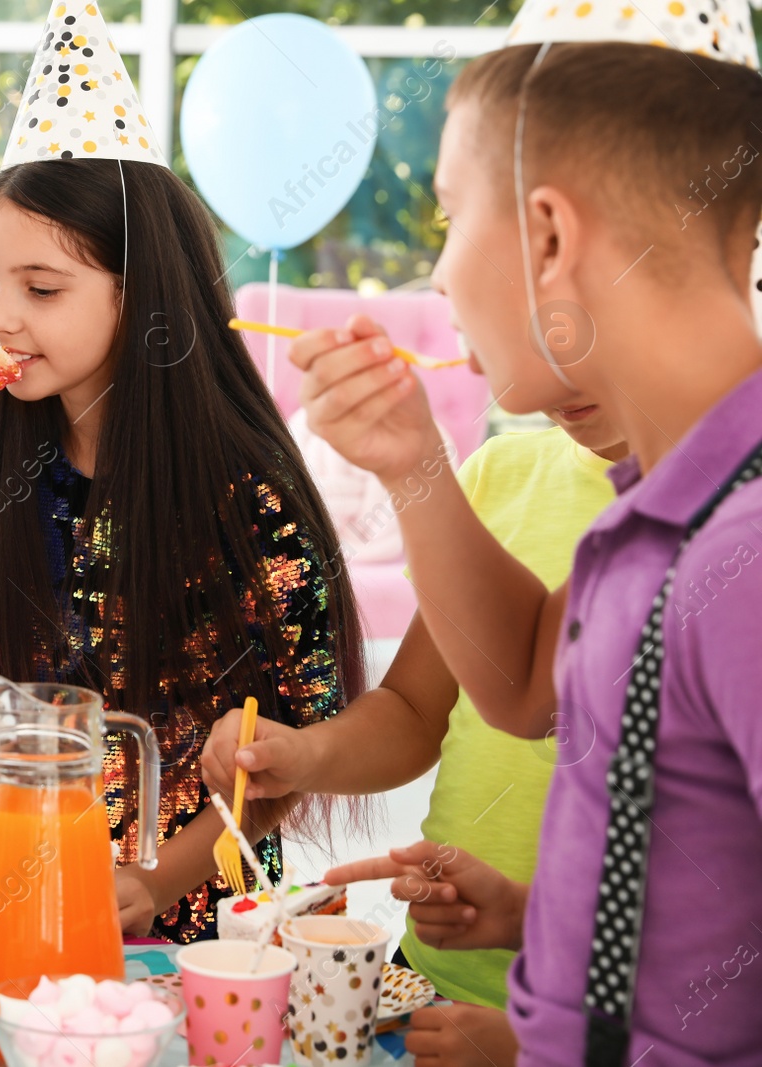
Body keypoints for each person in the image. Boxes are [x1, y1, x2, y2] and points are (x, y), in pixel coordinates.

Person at [291, 4, 762, 1059]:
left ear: (548, 236)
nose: (440, 277)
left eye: (450, 220)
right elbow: (517, 688)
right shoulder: (653, 503)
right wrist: (412, 462)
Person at [0, 0, 366, 943]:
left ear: (143, 296)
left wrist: (155, 878)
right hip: (28, 885)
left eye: (41, 288)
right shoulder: (11, 455)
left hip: (210, 928)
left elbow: (294, 748)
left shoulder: (245, 493)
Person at [203, 405, 625, 1065]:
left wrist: (542, 1042)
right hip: (426, 986)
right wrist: (306, 753)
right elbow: (416, 709)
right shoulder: (501, 474)